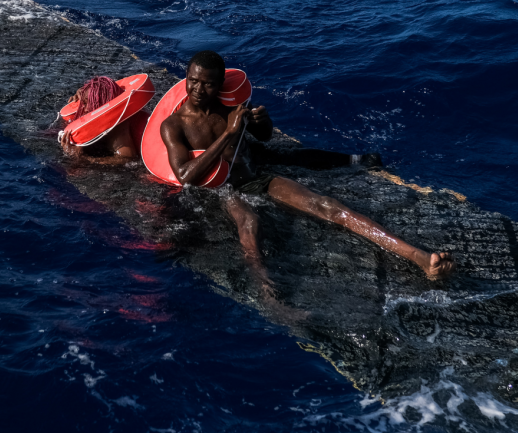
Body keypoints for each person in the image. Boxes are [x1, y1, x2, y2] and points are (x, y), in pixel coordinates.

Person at [160, 51, 455, 283]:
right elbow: (185, 176)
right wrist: (229, 133)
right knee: (249, 225)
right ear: (185, 78)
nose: (199, 89)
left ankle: (418, 257)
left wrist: (263, 123)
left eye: (208, 83)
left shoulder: (230, 109)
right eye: (193, 81)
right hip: (223, 190)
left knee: (328, 205)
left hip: (255, 178)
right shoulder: (174, 125)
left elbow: (260, 137)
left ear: (220, 84)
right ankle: (268, 292)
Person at [60, 76, 137, 160]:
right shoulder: (89, 109)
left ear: (103, 105)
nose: (83, 108)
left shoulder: (117, 128)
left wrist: (81, 158)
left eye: (86, 103)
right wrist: (84, 93)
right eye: (83, 102)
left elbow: (126, 159)